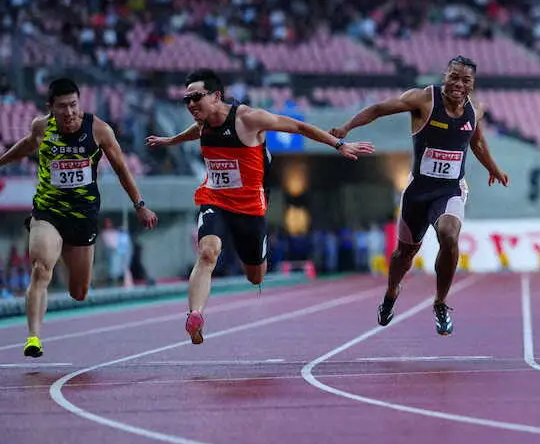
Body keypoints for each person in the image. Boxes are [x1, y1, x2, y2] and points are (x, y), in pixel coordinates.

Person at [147, 69, 373, 344]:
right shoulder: (203, 123)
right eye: (187, 101)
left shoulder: (249, 119)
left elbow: (299, 127)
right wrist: (170, 141)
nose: (191, 105)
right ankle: (195, 315)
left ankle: (251, 265)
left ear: (216, 96)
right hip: (214, 198)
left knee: (255, 276)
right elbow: (195, 132)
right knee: (207, 253)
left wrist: (339, 144)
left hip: (250, 207)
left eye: (196, 98)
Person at [331, 56, 508, 336]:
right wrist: (346, 129)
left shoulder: (476, 111)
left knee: (449, 235)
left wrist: (494, 169)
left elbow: (477, 141)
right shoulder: (424, 100)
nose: (458, 84)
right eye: (454, 77)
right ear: (444, 76)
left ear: (473, 84)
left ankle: (440, 302)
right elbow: (378, 108)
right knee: (405, 253)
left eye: (466, 80)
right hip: (418, 191)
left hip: (450, 190)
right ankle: (391, 294)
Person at [0, 77, 158, 358]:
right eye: (62, 107)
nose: (70, 112)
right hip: (48, 212)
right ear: (50, 107)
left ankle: (63, 251)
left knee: (79, 292)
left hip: (83, 216)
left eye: (74, 105)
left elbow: (122, 169)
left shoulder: (98, 129)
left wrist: (140, 204)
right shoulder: (41, 127)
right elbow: (27, 145)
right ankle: (33, 337)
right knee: (40, 269)